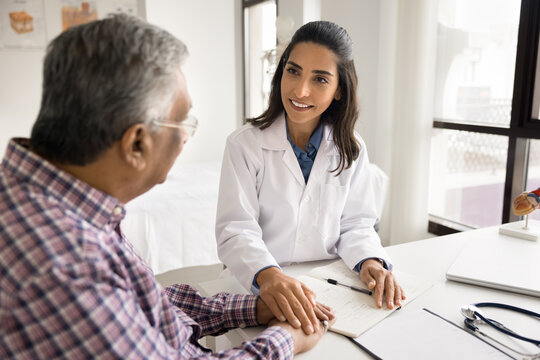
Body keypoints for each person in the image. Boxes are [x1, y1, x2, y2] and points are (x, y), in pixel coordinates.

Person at [0, 14, 334, 359]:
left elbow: (140, 302)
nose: (186, 136)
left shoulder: (63, 204)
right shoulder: (69, 262)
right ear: (137, 144)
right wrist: (284, 339)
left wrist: (251, 309)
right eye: (182, 121)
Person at [216, 20, 405, 336]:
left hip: (329, 285)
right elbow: (236, 229)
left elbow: (356, 223)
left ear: (339, 90)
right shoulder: (244, 144)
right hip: (259, 283)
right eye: (293, 71)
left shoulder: (352, 147)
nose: (300, 91)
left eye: (320, 79)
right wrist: (270, 276)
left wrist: (371, 261)